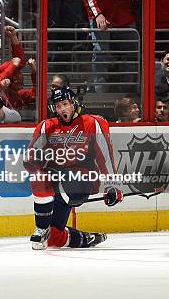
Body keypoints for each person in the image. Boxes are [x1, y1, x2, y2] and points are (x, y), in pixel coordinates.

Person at [25, 87, 124, 250]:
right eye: (58, 106)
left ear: (74, 103)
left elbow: (105, 157)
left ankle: (41, 229)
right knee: (54, 237)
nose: (62, 109)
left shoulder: (93, 123)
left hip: (82, 181)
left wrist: (112, 185)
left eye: (65, 104)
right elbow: (31, 159)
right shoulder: (46, 126)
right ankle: (86, 238)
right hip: (56, 183)